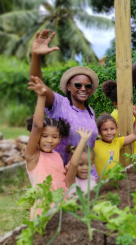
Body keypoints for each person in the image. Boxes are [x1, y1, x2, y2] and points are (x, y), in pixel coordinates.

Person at [29, 30, 99, 168]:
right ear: (68, 86)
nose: (83, 88)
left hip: (87, 173)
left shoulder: (90, 111)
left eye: (88, 86)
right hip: (61, 172)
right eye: (78, 85)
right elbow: (38, 83)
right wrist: (36, 56)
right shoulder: (59, 103)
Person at [25, 76, 90, 218]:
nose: (49, 140)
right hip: (42, 210)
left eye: (54, 137)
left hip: (63, 208)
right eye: (44, 136)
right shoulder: (33, 156)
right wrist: (41, 96)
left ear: (60, 138)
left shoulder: (58, 157)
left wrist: (82, 142)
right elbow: (37, 126)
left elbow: (72, 169)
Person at [94, 104, 136, 178]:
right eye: (105, 129)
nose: (109, 132)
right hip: (99, 186)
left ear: (116, 129)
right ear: (98, 131)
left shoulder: (117, 142)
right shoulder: (95, 144)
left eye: (112, 129)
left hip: (114, 183)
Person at [101, 80, 136, 155]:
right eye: (125, 101)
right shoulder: (115, 117)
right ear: (115, 104)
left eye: (130, 100)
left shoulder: (130, 112)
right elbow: (129, 136)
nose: (129, 103)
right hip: (128, 158)